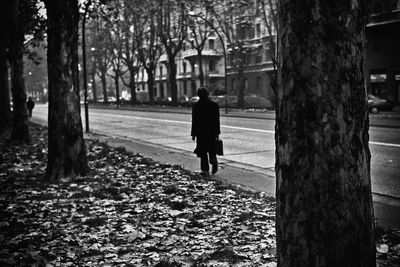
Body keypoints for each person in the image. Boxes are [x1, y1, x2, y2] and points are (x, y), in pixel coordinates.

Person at [191, 87, 221, 175]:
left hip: (201, 132)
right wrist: (217, 132)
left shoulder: (196, 106)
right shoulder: (214, 105)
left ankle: (205, 170)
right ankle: (213, 161)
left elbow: (195, 121)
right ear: (208, 94)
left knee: (203, 151)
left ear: (198, 95)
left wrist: (193, 134)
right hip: (211, 131)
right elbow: (216, 120)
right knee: (212, 149)